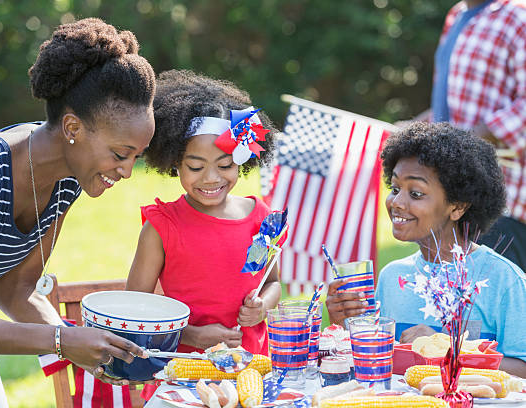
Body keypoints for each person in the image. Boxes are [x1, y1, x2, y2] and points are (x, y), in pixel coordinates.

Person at [0, 18, 155, 407]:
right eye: (119, 154)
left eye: (135, 158)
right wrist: (62, 340)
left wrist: (82, 345)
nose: (127, 171)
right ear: (73, 127)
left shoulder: (67, 179)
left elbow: (15, 289)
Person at [327, 122, 526, 377]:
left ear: (458, 207)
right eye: (395, 188)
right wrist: (345, 324)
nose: (396, 202)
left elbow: (522, 369)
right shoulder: (392, 277)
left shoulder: (504, 280)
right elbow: (378, 363)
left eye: (416, 193)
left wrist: (448, 350)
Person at [126, 70, 281, 355]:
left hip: (252, 368)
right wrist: (192, 335)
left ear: (240, 160)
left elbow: (272, 283)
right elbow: (135, 312)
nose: (211, 178)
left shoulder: (261, 219)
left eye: (224, 165)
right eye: (196, 167)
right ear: (175, 162)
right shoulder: (162, 227)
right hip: (181, 375)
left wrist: (262, 307)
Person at [405, 0, 526, 272]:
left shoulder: (518, 16)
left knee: (499, 310)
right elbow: (453, 111)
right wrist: (415, 127)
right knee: (453, 309)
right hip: (450, 204)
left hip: (502, 207)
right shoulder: (456, 16)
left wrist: (472, 140)